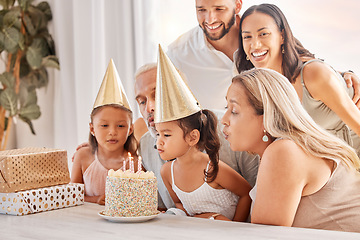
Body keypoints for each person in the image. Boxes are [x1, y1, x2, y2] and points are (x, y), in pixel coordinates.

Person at [222, 68, 360, 232]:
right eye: (226, 108)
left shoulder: (284, 151)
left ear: (267, 116)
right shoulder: (287, 149)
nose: (224, 120)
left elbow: (264, 236)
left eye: (234, 111)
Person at [167, 0, 360, 111]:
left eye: (219, 9)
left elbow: (301, 63)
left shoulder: (263, 33)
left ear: (237, 4)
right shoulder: (178, 55)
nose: (210, 19)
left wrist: (344, 76)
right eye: (201, 10)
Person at [235, 3, 360, 155]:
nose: (255, 44)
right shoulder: (261, 84)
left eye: (263, 34)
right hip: (326, 165)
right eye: (247, 37)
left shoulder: (313, 75)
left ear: (282, 36)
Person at [135, 62, 259, 211]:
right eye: (142, 101)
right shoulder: (145, 146)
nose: (149, 107)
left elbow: (255, 194)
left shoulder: (229, 130)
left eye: (158, 95)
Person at [156, 46, 251, 221]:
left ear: (192, 137)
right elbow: (179, 204)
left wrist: (234, 229)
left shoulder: (213, 168)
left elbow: (247, 194)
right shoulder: (166, 172)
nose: (159, 142)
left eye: (166, 135)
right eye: (158, 134)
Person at [71, 60, 139, 205]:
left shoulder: (134, 163)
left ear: (130, 129)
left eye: (120, 126)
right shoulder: (83, 157)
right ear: (92, 129)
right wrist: (96, 200)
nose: (112, 132)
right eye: (104, 125)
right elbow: (72, 196)